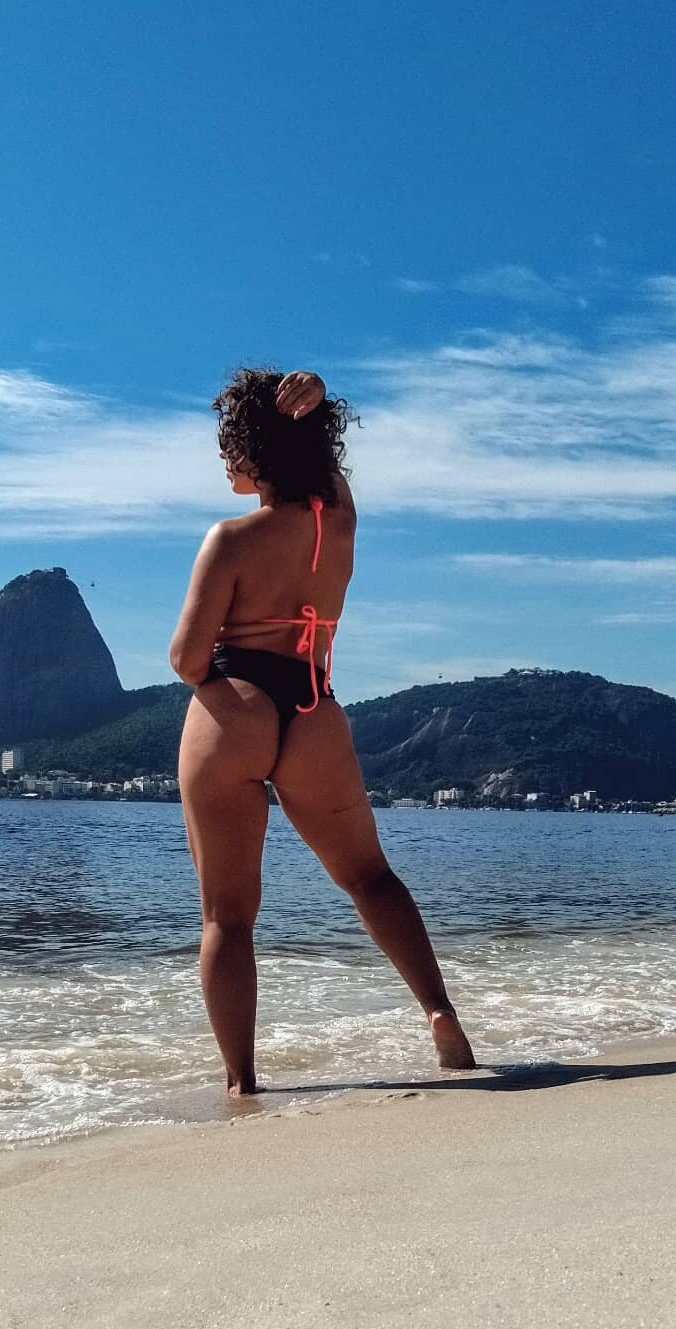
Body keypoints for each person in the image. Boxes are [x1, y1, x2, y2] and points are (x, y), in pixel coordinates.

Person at [170, 366, 476, 1096]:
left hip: (235, 709)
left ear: (255, 449)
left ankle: (242, 1083)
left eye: (231, 443)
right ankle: (439, 1013)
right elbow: (330, 480)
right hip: (313, 709)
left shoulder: (229, 539)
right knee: (370, 877)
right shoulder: (337, 521)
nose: (224, 457)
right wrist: (313, 409)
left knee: (228, 918)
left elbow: (187, 660)